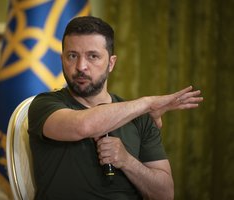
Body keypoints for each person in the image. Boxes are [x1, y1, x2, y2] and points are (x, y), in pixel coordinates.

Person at [28, 16, 203, 200]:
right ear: (62, 59)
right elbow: (84, 126)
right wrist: (148, 103)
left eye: (92, 56)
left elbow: (165, 194)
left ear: (111, 63)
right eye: (72, 56)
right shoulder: (44, 105)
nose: (81, 66)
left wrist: (127, 161)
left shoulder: (139, 116)